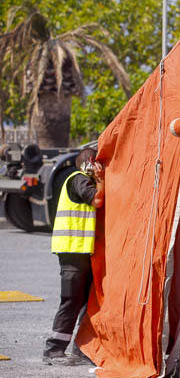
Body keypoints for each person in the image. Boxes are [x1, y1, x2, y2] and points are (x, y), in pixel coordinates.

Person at [43, 148, 105, 366]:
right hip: (72, 250)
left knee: (86, 301)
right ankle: (54, 349)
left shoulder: (81, 179)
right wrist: (99, 179)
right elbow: (97, 201)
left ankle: (81, 348)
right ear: (89, 164)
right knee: (71, 300)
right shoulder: (79, 180)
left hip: (82, 250)